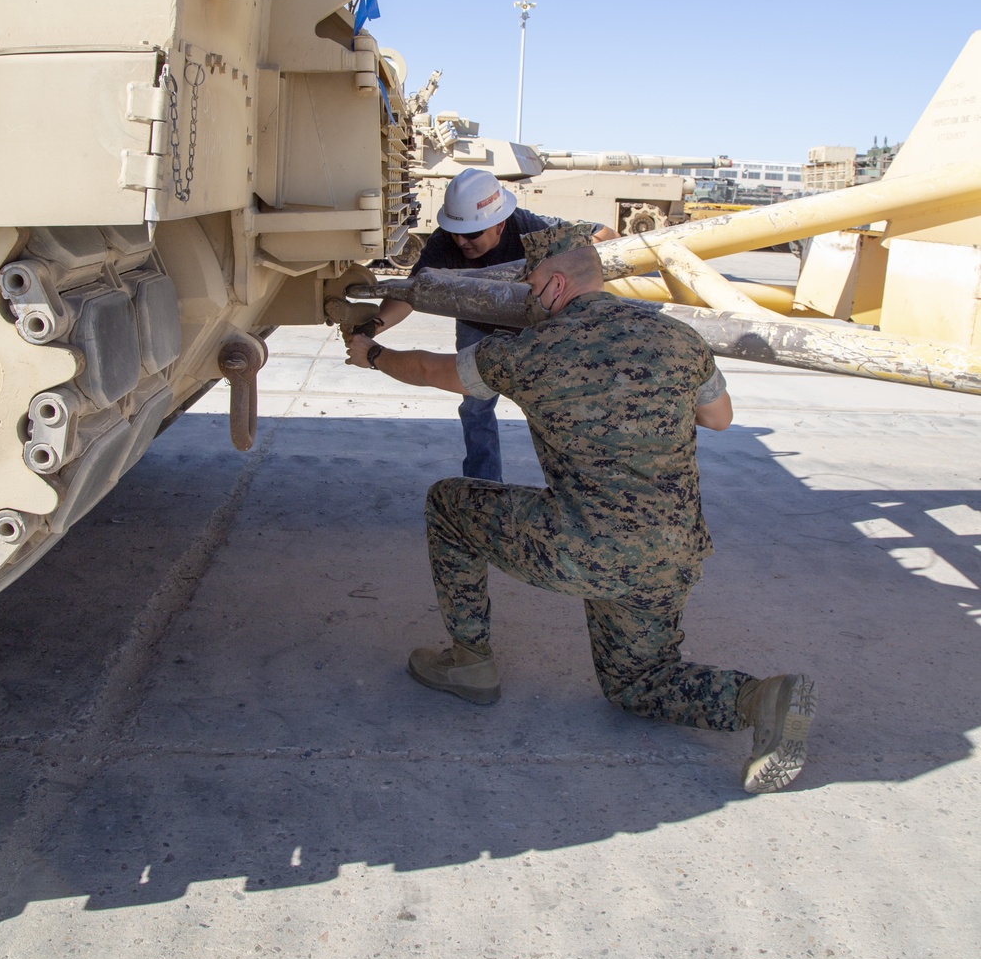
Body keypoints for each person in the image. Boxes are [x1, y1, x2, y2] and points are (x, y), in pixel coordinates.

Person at [345, 221, 817, 795]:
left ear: (551, 285)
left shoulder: (530, 354)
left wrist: (371, 354)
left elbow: (428, 370)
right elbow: (719, 418)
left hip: (585, 549)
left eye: (530, 287)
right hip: (674, 552)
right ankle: (759, 698)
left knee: (449, 503)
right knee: (637, 681)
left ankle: (469, 660)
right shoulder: (677, 338)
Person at [372, 167, 616, 483]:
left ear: (499, 224)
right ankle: (484, 485)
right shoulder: (444, 242)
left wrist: (585, 251)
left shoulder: (530, 229)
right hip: (477, 327)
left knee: (550, 405)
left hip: (530, 329)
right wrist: (376, 325)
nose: (460, 242)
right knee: (476, 409)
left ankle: (571, 489)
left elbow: (606, 234)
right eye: (454, 232)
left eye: (472, 234)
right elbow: (412, 292)